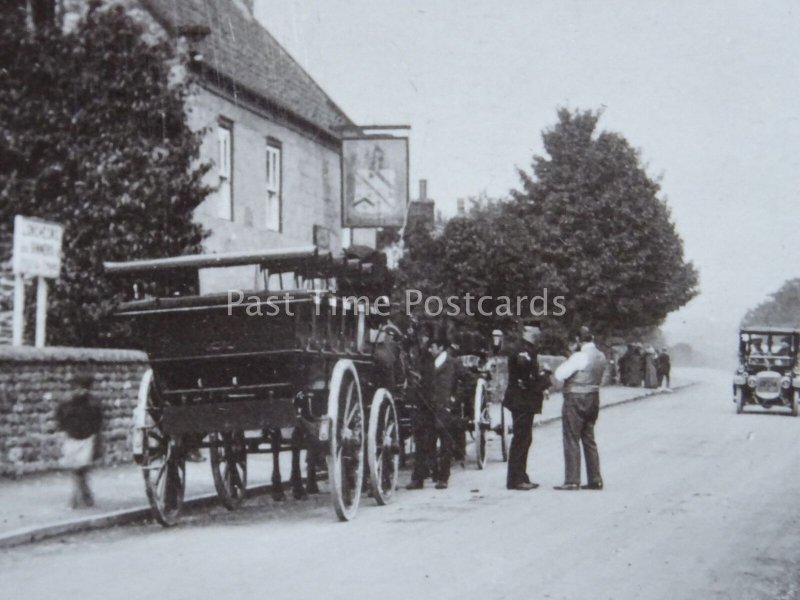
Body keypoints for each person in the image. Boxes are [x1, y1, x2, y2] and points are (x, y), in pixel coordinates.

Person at [553, 327, 608, 491]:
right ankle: (595, 479)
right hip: (593, 398)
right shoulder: (601, 356)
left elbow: (559, 374)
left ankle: (572, 480)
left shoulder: (579, 356)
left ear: (578, 340)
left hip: (575, 398)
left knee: (571, 438)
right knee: (589, 438)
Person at [407, 327, 457, 490]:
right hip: (427, 407)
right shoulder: (425, 363)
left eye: (432, 346)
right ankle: (418, 478)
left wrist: (454, 398)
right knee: (423, 443)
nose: (429, 349)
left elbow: (468, 381)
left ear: (441, 347)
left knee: (445, 444)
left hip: (443, 408)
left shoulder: (452, 363)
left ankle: (443, 477)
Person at [503, 323, 551, 490]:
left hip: (524, 400)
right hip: (521, 401)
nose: (539, 331)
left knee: (525, 438)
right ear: (528, 331)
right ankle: (515, 480)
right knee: (520, 439)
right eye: (536, 328)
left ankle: (521, 476)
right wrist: (545, 376)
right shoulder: (522, 350)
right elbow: (528, 376)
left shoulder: (528, 349)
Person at [55, 373, 103, 508]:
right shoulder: (66, 404)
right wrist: (62, 432)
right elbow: (60, 420)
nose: (80, 391)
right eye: (77, 387)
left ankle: (75, 498)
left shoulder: (93, 404)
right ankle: (85, 495)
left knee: (80, 468)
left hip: (87, 439)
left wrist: (97, 439)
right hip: (72, 438)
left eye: (84, 388)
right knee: (77, 469)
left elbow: (98, 424)